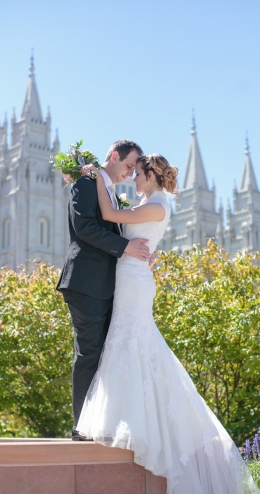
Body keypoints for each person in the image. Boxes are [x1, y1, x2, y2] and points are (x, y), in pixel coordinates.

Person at [76, 154, 260, 494]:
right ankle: (129, 418)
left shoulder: (159, 203)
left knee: (132, 344)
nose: (134, 182)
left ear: (150, 175)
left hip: (134, 282)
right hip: (131, 278)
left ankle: (138, 424)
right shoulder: (151, 204)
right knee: (129, 346)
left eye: (138, 176)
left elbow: (112, 216)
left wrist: (97, 176)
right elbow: (131, 226)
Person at [56, 140, 150, 440]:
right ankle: (81, 428)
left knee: (106, 355)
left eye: (134, 170)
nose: (129, 174)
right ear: (113, 157)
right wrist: (125, 246)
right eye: (127, 166)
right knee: (89, 353)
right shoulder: (86, 183)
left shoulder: (109, 193)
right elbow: (83, 227)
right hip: (86, 282)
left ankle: (99, 423)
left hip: (108, 286)